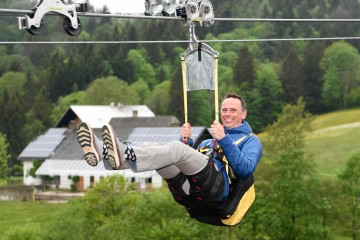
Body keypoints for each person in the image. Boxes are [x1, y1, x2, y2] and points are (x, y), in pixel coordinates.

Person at [77, 93, 262, 226]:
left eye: (233, 110)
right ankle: (102, 151)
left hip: (218, 189)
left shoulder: (250, 140)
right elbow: (192, 164)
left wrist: (224, 139)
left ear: (243, 114)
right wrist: (186, 142)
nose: (227, 114)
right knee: (158, 151)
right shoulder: (209, 140)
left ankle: (122, 151)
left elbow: (246, 169)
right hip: (191, 190)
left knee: (176, 149)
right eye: (224, 110)